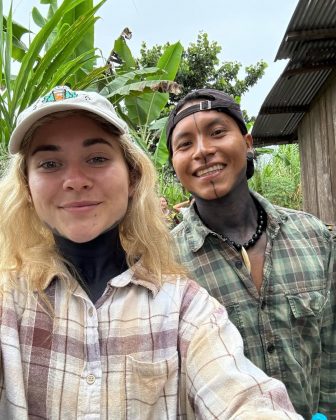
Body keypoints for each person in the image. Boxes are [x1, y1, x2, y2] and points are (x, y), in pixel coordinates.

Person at [0, 86, 302, 419]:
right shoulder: (9, 301)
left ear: (133, 177)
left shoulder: (183, 306)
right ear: (27, 186)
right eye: (50, 163)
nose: (74, 180)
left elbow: (244, 397)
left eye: (97, 158)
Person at [166, 88, 335, 420]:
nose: (202, 151)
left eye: (217, 132)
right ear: (175, 164)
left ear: (247, 142)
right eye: (185, 144)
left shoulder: (313, 236)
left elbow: (331, 347)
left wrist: (326, 413)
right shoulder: (164, 263)